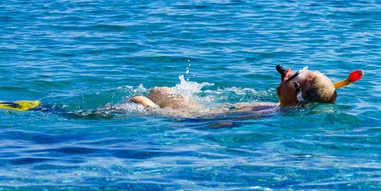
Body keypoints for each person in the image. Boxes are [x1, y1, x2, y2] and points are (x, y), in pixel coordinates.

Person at [129, 65, 337, 115]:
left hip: (193, 118)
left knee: (140, 99)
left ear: (298, 93)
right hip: (203, 111)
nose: (288, 72)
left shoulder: (268, 114)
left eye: (293, 76)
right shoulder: (278, 107)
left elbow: (222, 123)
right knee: (159, 92)